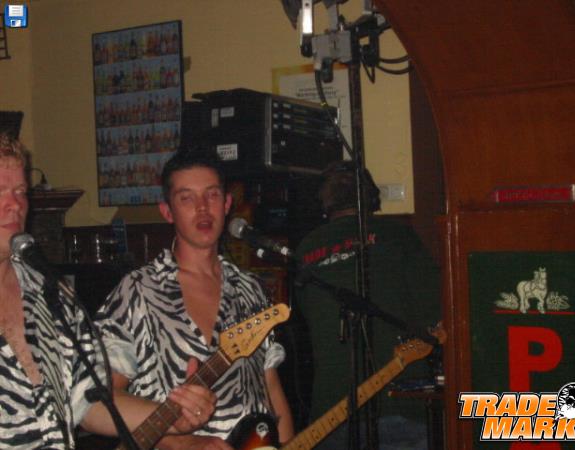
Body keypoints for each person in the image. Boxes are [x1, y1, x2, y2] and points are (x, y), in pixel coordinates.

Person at [0, 134, 215, 449]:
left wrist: (170, 418)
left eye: (20, 191)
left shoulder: (50, 292)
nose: (15, 204)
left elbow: (87, 404)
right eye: (0, 191)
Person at [96, 149, 294, 449]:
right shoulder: (137, 291)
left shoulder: (250, 288)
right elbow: (101, 401)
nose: (202, 208)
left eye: (212, 195)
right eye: (187, 198)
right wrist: (181, 442)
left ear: (227, 204)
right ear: (167, 211)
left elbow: (271, 388)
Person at [294, 161, 441, 450]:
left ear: (325, 203)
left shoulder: (306, 248)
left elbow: (305, 322)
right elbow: (435, 313)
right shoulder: (399, 236)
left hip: (332, 413)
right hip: (400, 404)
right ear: (371, 197)